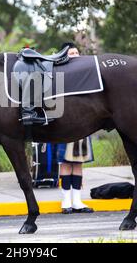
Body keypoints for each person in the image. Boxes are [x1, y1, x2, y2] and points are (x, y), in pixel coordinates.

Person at [57, 42, 94, 214]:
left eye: (76, 52)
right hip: (64, 124)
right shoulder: (59, 74)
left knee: (78, 163)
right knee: (65, 162)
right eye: (71, 53)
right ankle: (66, 202)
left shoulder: (86, 75)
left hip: (83, 124)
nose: (75, 55)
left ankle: (77, 201)